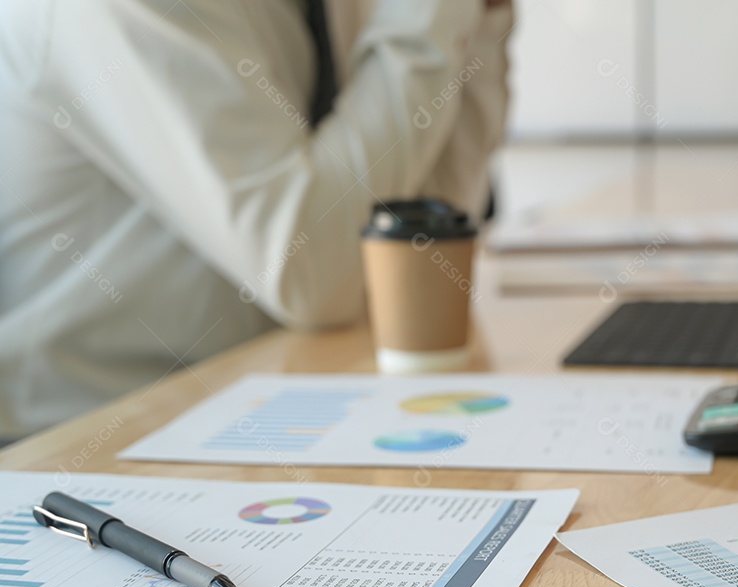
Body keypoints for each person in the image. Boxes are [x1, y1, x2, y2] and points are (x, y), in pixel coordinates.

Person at [0, 0, 511, 443]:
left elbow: (416, 231)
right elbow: (312, 272)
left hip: (270, 407)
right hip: (92, 445)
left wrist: (476, 24)